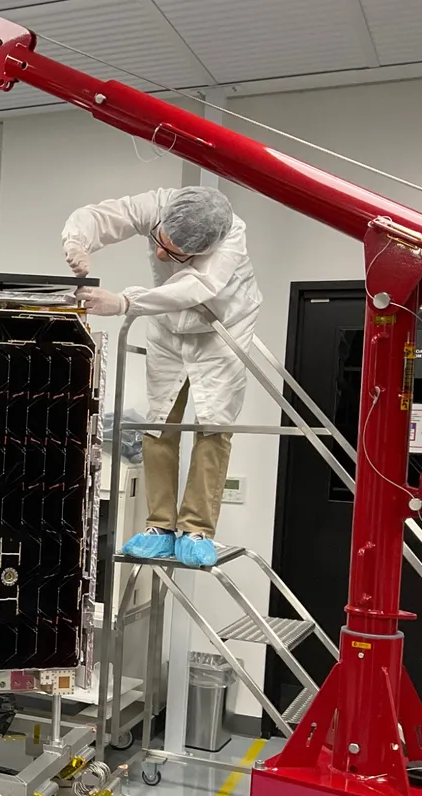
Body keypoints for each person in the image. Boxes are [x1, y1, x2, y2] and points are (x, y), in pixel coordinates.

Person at [61, 186, 262, 568]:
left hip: (222, 327)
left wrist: (124, 302)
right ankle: (161, 527)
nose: (159, 254)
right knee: (158, 422)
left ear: (200, 251)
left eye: (172, 254)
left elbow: (199, 286)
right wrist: (78, 239)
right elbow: (105, 213)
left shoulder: (230, 235)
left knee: (213, 426)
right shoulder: (161, 204)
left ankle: (197, 528)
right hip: (168, 323)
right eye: (160, 241)